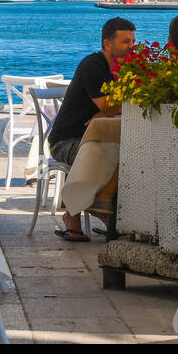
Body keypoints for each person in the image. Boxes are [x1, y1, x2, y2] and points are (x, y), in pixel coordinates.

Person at [47, 17, 136, 242]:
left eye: (133, 41)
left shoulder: (126, 68)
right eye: (126, 42)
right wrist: (105, 110)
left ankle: (99, 209)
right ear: (108, 44)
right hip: (66, 141)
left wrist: (106, 110)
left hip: (98, 136)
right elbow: (108, 106)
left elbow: (118, 105)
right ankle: (89, 212)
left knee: (131, 154)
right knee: (110, 155)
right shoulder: (93, 66)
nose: (132, 47)